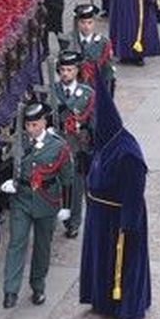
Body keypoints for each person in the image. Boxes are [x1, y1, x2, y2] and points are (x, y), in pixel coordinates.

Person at [79, 78, 151, 319]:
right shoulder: (104, 144)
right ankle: (104, 301)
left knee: (126, 263)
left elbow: (134, 189)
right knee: (102, 259)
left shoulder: (127, 153)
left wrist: (128, 222)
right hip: (100, 214)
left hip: (120, 217)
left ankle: (130, 309)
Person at [0, 101, 73, 309]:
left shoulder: (58, 146)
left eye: (34, 125)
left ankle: (38, 286)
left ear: (43, 122)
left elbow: (67, 179)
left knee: (42, 246)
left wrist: (66, 207)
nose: (30, 129)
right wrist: (8, 182)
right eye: (27, 125)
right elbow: (9, 163)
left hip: (46, 200)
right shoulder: (20, 142)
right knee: (16, 243)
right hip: (22, 198)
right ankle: (10, 290)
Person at [49, 50, 95, 238]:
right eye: (62, 70)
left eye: (69, 69)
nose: (65, 73)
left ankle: (73, 223)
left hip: (77, 146)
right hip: (56, 147)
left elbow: (92, 122)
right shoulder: (52, 91)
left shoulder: (86, 94)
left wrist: (91, 145)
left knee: (75, 186)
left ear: (77, 71)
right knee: (54, 186)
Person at [65, 3, 115, 94]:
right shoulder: (68, 40)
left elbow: (108, 72)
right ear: (77, 23)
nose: (86, 26)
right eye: (83, 22)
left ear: (94, 23)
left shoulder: (103, 43)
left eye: (90, 22)